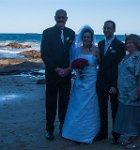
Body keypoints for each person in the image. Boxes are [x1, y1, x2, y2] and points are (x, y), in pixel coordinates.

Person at [40, 9, 75, 140]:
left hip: (66, 74)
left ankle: (63, 128)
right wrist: (56, 69)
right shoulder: (47, 33)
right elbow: (44, 54)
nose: (61, 19)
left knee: (64, 102)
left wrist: (69, 69)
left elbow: (73, 54)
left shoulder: (71, 33)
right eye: (59, 17)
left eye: (63, 17)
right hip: (52, 74)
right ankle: (49, 130)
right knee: (50, 102)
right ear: (55, 18)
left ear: (66, 18)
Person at [62, 25, 100, 144]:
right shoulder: (76, 50)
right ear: (82, 38)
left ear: (91, 38)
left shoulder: (96, 49)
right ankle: (74, 132)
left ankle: (89, 133)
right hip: (80, 81)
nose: (86, 39)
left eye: (88, 37)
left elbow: (100, 64)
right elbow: (73, 64)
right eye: (84, 37)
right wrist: (78, 71)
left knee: (90, 107)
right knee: (77, 106)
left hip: (92, 81)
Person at [113, 34, 140, 149]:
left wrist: (139, 90)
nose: (128, 44)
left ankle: (138, 141)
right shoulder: (127, 56)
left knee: (138, 117)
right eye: (127, 42)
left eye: (131, 42)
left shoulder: (139, 56)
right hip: (125, 94)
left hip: (135, 92)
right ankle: (131, 139)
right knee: (130, 118)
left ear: (136, 43)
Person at [96, 20, 125, 143]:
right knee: (101, 109)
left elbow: (120, 67)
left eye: (109, 28)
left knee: (115, 109)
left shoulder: (120, 45)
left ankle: (116, 135)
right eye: (105, 28)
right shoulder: (100, 44)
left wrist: (114, 85)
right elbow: (99, 63)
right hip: (101, 82)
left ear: (114, 30)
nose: (107, 30)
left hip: (114, 83)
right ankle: (103, 133)